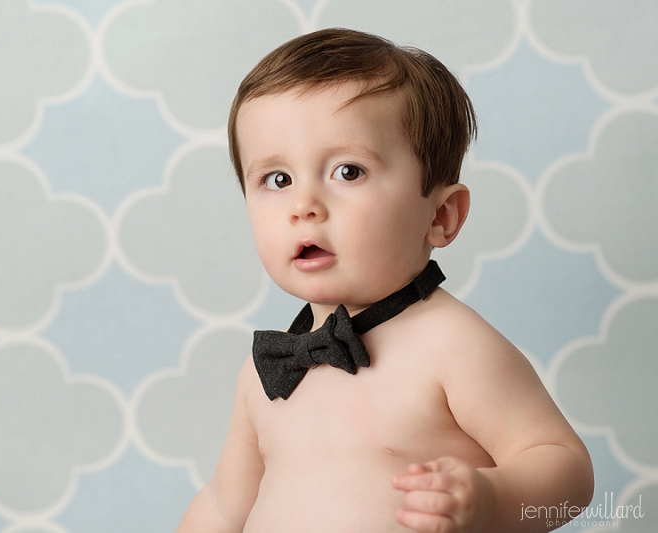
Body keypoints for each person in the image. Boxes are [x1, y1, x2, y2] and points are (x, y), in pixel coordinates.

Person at [177, 28, 593, 533]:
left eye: (348, 172)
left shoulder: (451, 346)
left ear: (440, 215)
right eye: (277, 179)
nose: (303, 206)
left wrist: (492, 499)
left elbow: (568, 471)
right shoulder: (267, 370)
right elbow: (224, 505)